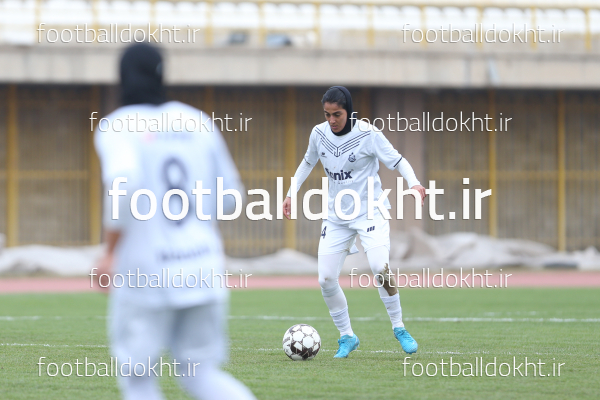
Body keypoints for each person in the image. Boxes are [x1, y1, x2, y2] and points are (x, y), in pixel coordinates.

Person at [93, 43, 255, 400]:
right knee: (201, 374)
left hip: (146, 271)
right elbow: (231, 197)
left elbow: (123, 183)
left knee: (138, 379)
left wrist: (110, 252)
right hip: (203, 268)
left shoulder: (117, 126)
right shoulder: (197, 122)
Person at [282, 86, 426, 358]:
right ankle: (347, 336)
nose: (331, 120)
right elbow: (307, 163)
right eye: (327, 114)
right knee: (326, 279)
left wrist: (415, 183)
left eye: (337, 114)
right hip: (337, 216)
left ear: (348, 111)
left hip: (371, 211)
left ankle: (399, 328)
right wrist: (290, 193)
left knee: (380, 268)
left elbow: (398, 161)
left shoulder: (368, 135)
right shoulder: (318, 134)